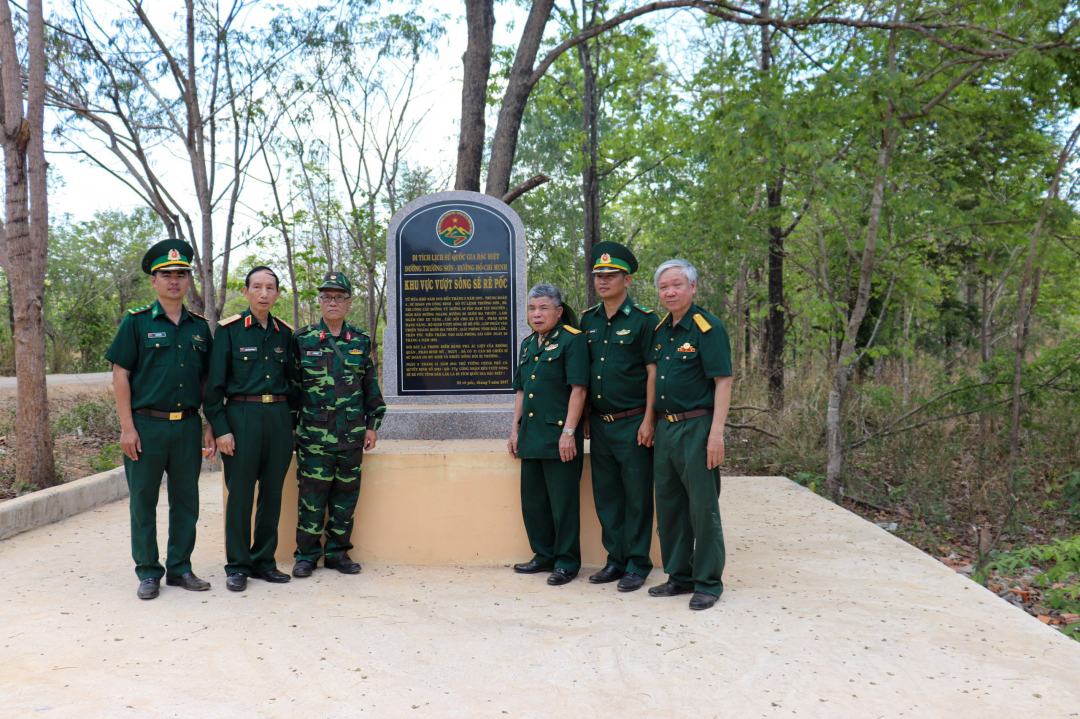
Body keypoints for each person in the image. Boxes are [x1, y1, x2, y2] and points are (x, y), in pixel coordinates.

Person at [105, 239, 216, 600]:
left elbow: (207, 380)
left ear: (188, 282)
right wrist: (127, 427)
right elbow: (120, 373)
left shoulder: (200, 327)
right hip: (146, 425)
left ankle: (180, 568)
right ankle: (149, 571)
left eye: (181, 274)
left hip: (186, 425)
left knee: (186, 501)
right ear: (154, 281)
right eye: (166, 275)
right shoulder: (136, 323)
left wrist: (210, 423)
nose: (174, 280)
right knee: (143, 500)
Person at [647, 259, 733, 611]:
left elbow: (723, 381)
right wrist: (651, 421)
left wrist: (716, 434)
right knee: (669, 506)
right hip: (666, 427)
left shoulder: (707, 327)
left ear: (693, 287)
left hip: (697, 427)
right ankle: (679, 576)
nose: (670, 291)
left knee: (702, 506)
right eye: (664, 286)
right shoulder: (661, 329)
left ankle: (708, 582)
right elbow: (655, 378)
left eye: (677, 284)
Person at [204, 266, 295, 592]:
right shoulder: (229, 331)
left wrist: (292, 425)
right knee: (240, 497)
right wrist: (221, 428)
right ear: (246, 292)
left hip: (279, 418)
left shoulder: (285, 333)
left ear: (278, 294)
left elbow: (294, 383)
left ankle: (264, 562)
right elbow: (213, 388)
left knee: (272, 495)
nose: (264, 293)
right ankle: (238, 565)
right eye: (257, 287)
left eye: (270, 288)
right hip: (241, 416)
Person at [290, 271, 386, 578]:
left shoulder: (359, 341)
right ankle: (306, 555)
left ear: (349, 303)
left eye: (339, 297)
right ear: (319, 302)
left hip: (352, 436)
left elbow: (371, 388)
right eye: (327, 297)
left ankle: (337, 553)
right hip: (313, 438)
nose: (333, 302)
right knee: (311, 499)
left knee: (345, 500)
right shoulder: (303, 340)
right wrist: (292, 431)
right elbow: (292, 391)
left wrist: (372, 425)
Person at [578, 241, 658, 592]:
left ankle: (638, 563)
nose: (603, 281)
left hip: (634, 421)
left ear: (627, 280)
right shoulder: (587, 320)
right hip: (599, 422)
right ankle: (616, 560)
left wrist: (649, 419)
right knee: (607, 495)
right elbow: (583, 373)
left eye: (611, 275)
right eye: (599, 276)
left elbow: (653, 372)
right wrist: (582, 417)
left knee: (637, 496)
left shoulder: (644, 320)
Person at [508, 284, 589, 586]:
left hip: (559, 438)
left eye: (543, 308)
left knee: (563, 502)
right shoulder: (529, 344)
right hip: (531, 435)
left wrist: (569, 432)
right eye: (532, 308)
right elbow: (520, 390)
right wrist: (514, 430)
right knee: (534, 501)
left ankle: (567, 562)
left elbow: (579, 389)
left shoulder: (572, 341)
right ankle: (543, 556)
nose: (537, 314)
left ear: (558, 311)